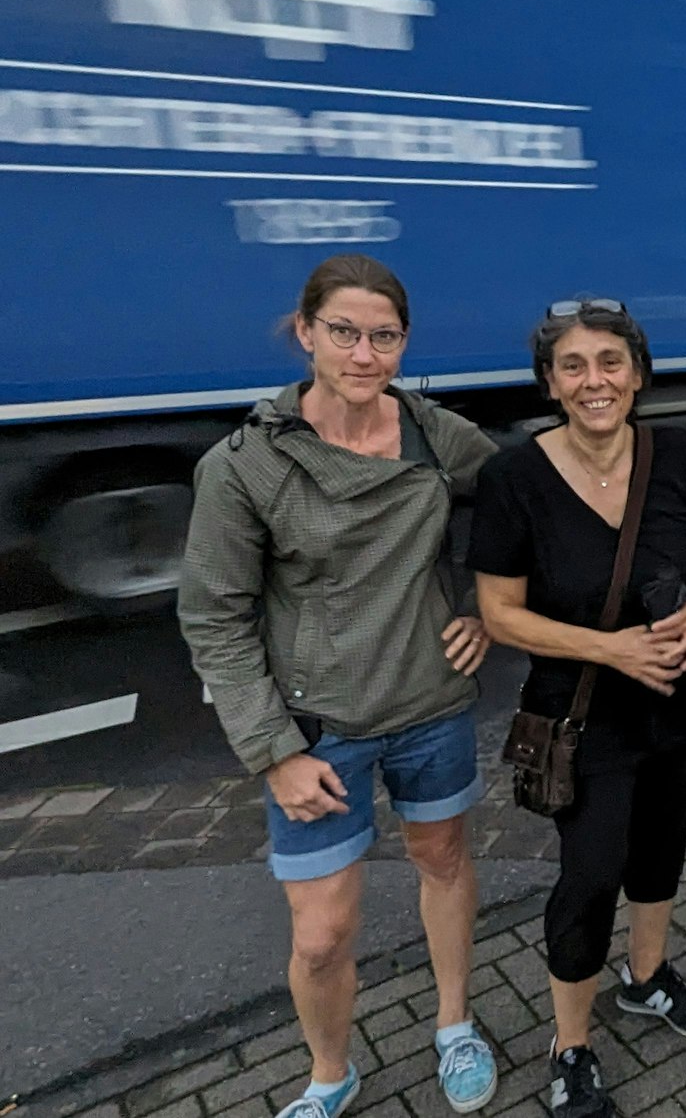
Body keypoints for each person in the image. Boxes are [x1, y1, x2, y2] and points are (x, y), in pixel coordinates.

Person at [179, 254, 500, 1118]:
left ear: (404, 343)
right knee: (321, 935)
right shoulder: (245, 465)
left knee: (443, 859)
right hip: (317, 731)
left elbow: (522, 506)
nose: (365, 354)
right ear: (306, 332)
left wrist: (485, 607)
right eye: (345, 333)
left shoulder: (434, 433)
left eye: (385, 336)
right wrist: (273, 750)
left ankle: (454, 1022)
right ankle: (331, 1072)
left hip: (430, 705)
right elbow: (215, 618)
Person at [470, 298, 686, 1118]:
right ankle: (570, 1043)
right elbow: (501, 614)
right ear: (549, 382)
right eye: (574, 366)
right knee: (589, 876)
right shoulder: (513, 479)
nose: (595, 381)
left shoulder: (681, 455)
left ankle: (647, 975)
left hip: (681, 704)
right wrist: (612, 648)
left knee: (660, 853)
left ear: (639, 374)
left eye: (611, 363)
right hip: (584, 718)